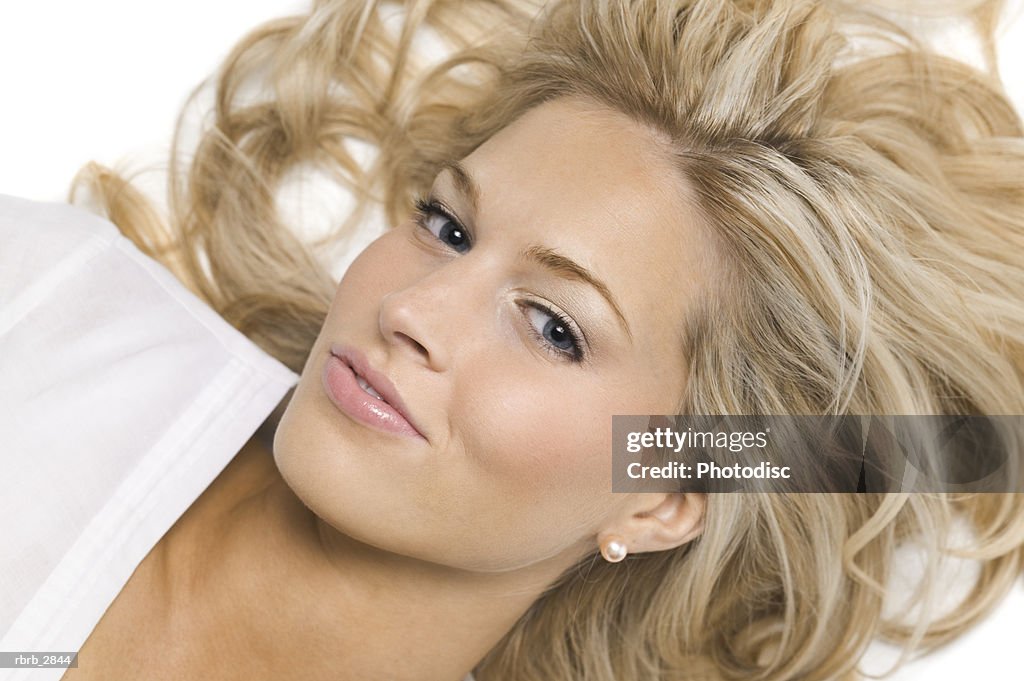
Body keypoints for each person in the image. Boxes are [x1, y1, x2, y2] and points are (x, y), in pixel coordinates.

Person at [14, 0, 1024, 678]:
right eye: (446, 227)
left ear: (665, 491)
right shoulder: (42, 306)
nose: (413, 310)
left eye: (553, 328)